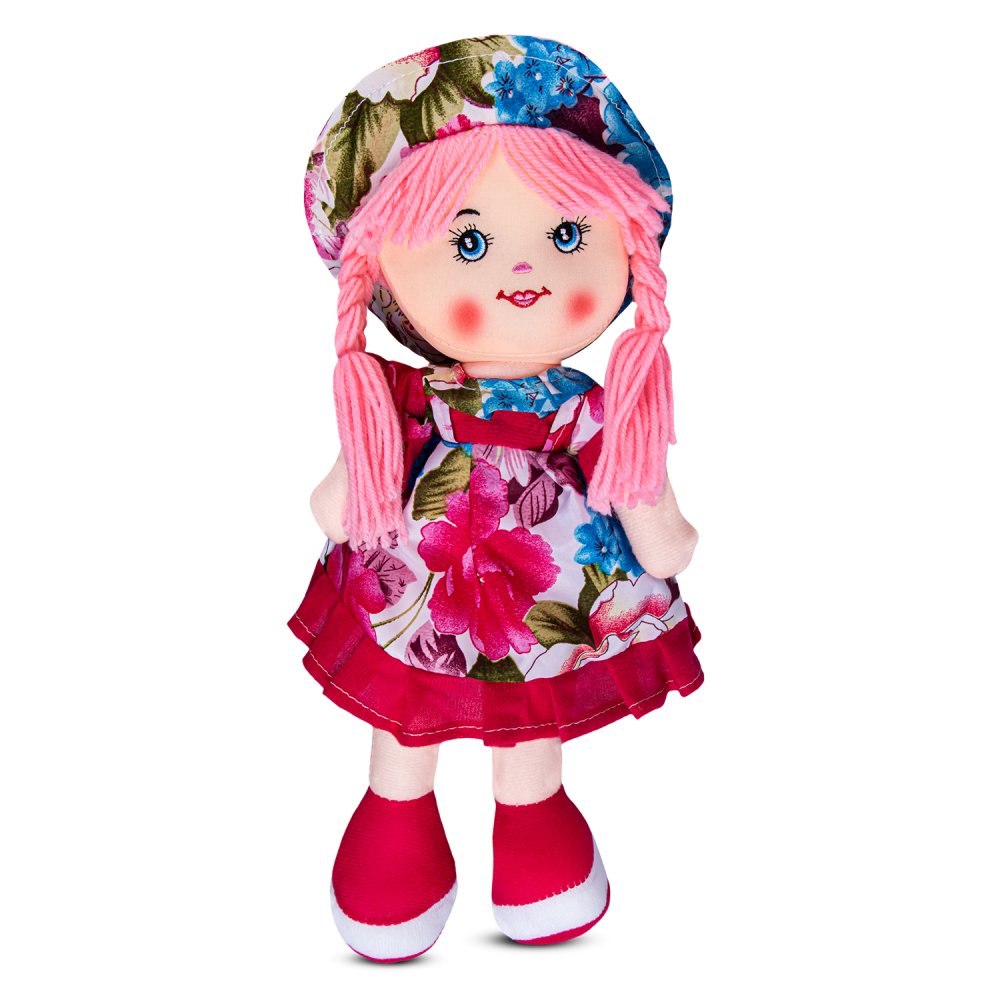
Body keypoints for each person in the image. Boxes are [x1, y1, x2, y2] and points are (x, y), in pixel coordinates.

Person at [289, 35, 703, 962]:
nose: (525, 273)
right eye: (467, 243)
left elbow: (631, 474)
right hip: (424, 580)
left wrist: (659, 531)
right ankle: (396, 824)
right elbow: (352, 483)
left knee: (532, 712)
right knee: (408, 706)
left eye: (569, 236)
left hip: (543, 589)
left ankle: (533, 831)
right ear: (382, 273)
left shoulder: (589, 407)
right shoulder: (407, 398)